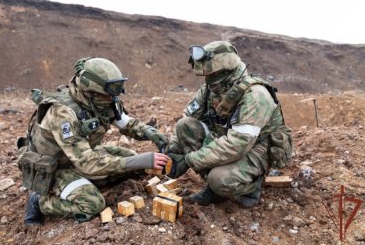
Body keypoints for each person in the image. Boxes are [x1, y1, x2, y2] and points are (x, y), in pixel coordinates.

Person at [17, 57, 169, 225]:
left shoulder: (103, 102)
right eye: (107, 95)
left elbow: (126, 123)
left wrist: (150, 132)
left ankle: (84, 183)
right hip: (54, 168)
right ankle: (40, 201)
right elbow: (86, 162)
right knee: (92, 204)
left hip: (78, 157)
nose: (112, 99)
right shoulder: (62, 113)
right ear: (90, 91)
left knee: (130, 158)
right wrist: (142, 160)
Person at [167, 41, 293, 207]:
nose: (209, 80)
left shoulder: (256, 95)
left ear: (227, 70)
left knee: (219, 180)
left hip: (257, 146)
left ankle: (251, 186)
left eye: (213, 75)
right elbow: (187, 117)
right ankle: (214, 187)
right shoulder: (210, 89)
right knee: (185, 125)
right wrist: (173, 153)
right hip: (227, 137)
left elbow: (238, 144)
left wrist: (191, 159)